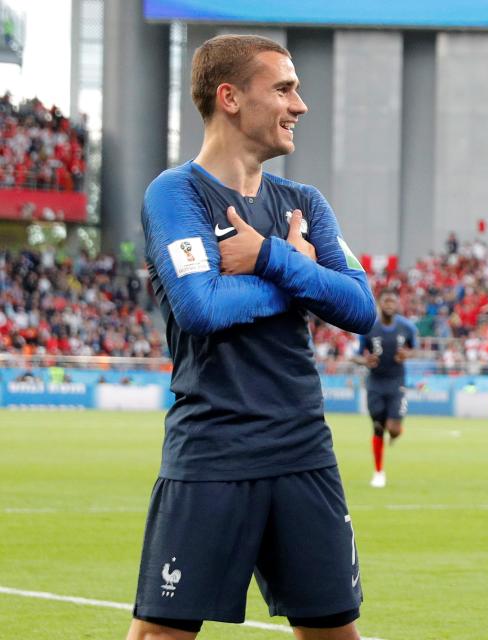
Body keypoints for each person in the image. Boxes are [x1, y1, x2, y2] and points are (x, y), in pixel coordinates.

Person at [129, 35, 376, 640]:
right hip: (212, 451)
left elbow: (361, 306)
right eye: (285, 89)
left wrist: (267, 257)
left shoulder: (303, 202)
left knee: (334, 634)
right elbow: (201, 306)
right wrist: (300, 273)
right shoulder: (175, 193)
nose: (301, 105)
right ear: (230, 97)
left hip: (303, 451)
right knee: (160, 634)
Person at [353, 289, 418, 488]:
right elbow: (355, 355)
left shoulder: (407, 327)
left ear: (398, 304)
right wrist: (365, 360)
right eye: (386, 301)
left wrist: (407, 355)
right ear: (380, 304)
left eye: (393, 301)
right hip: (375, 383)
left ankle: (396, 433)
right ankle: (379, 472)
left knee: (394, 429)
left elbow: (415, 349)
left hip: (397, 382)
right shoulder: (369, 328)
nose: (390, 304)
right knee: (378, 427)